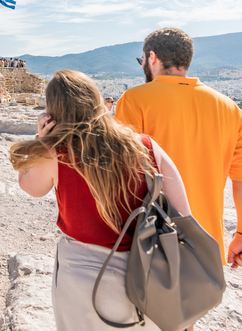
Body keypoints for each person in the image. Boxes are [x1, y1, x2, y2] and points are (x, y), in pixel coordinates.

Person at [10, 70, 191, 331]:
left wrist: (42, 139)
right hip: (149, 272)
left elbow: (30, 186)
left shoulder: (57, 152)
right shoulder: (145, 146)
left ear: (54, 111)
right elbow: (184, 214)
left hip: (82, 276)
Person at [115, 28, 242, 277]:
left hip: (150, 239)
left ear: (152, 57)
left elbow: (123, 173)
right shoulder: (228, 107)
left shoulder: (134, 100)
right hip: (205, 244)